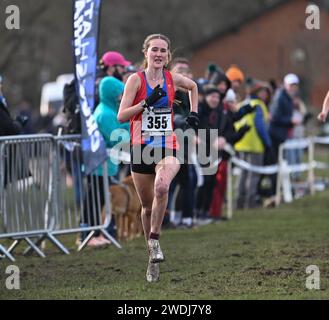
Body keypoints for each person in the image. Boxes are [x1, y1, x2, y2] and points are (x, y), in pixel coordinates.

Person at [117, 34, 199, 282]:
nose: (159, 54)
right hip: (141, 147)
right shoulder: (135, 80)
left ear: (168, 55)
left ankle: (154, 239)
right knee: (146, 206)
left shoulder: (172, 78)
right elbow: (122, 116)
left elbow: (194, 87)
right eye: (154, 49)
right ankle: (151, 259)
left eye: (163, 50)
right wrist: (145, 103)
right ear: (146, 53)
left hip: (167, 145)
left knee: (162, 186)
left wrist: (194, 113)